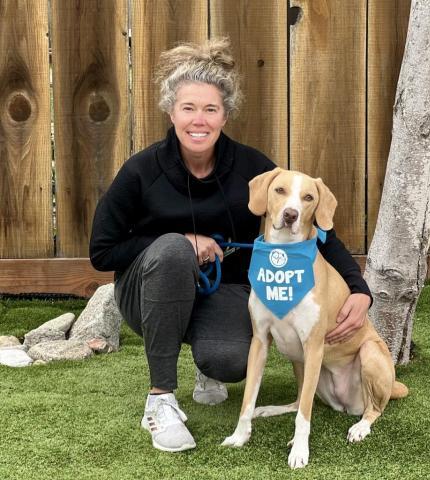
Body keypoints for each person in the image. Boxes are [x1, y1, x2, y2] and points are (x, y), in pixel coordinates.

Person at [89, 37, 372, 453]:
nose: (198, 120)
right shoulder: (140, 171)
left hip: (223, 292)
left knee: (231, 359)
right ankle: (161, 399)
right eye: (188, 108)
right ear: (171, 112)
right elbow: (102, 252)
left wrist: (359, 289)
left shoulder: (253, 168)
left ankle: (208, 366)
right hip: (149, 291)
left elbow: (318, 232)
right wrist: (184, 241)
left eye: (210, 109)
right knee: (171, 252)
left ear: (225, 115)